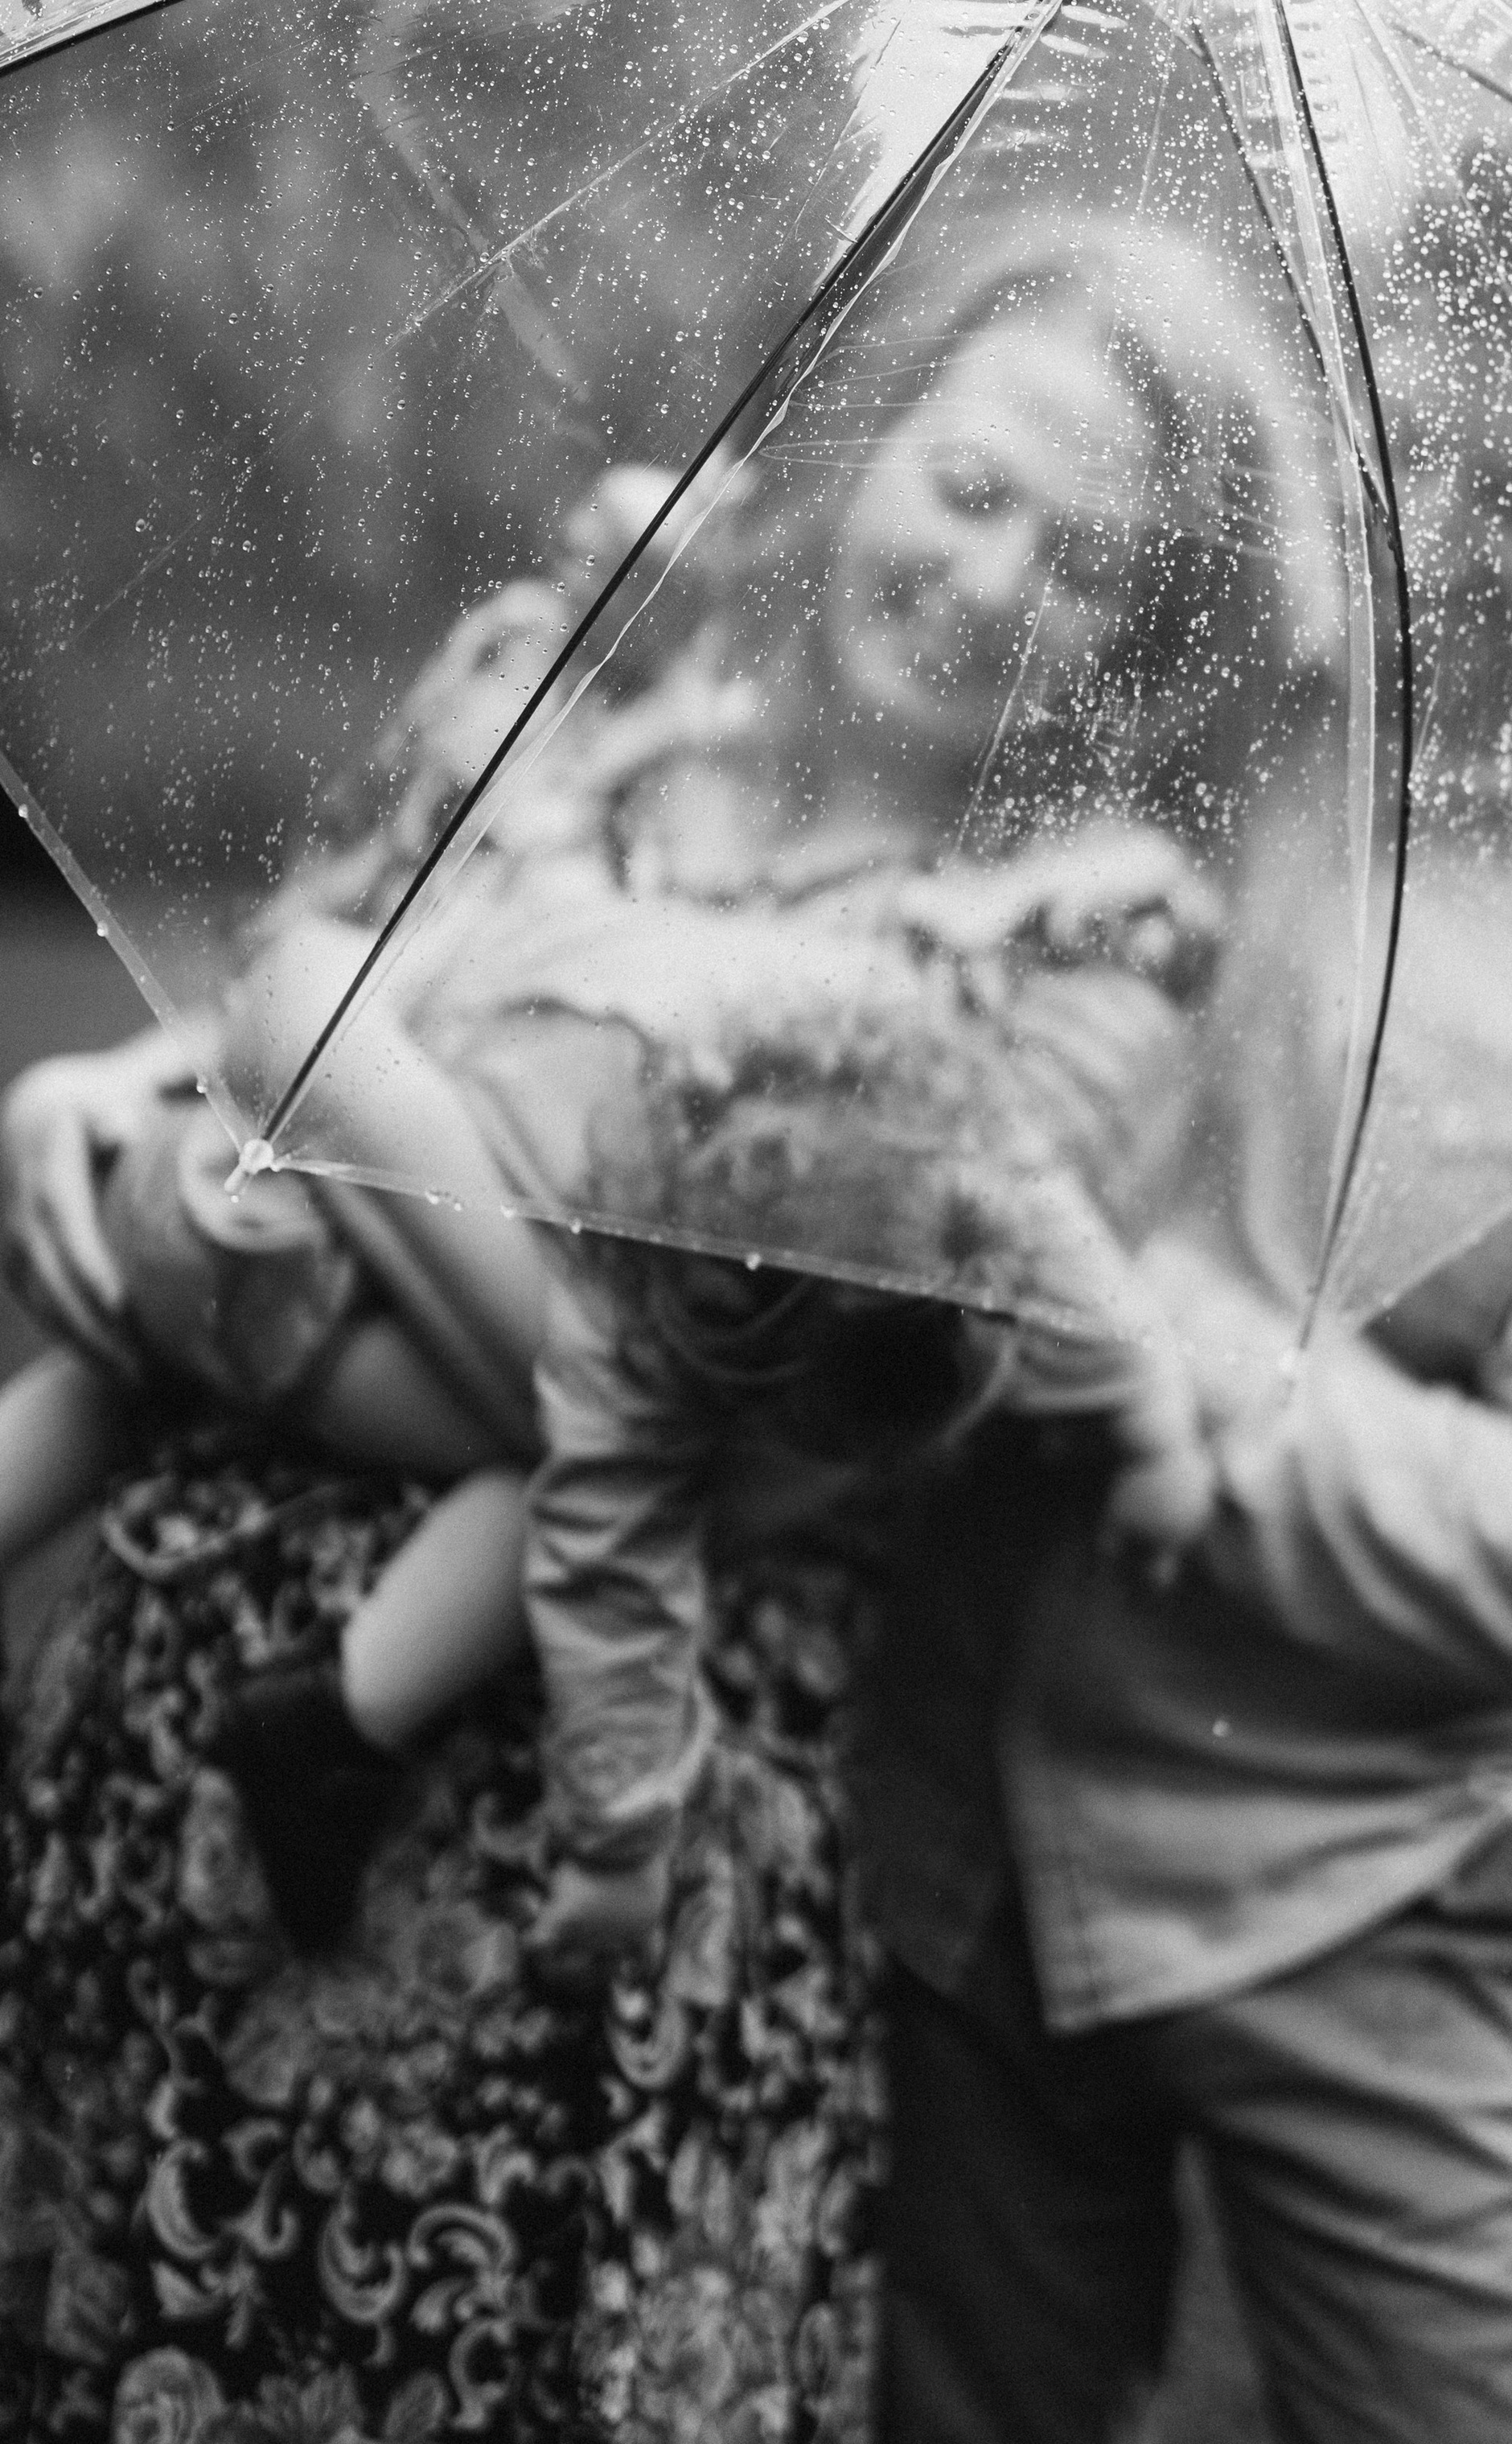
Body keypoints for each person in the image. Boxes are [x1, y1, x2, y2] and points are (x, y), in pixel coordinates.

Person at [864, 146, 1512, 2444]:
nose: (1419, 520)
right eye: (1393, 430)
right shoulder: (1224, 666)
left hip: (1357, 1890)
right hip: (944, 1804)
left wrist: (1167, 1358)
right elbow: (844, 818)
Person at [0, 216, 1329, 1992]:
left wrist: (344, 1166)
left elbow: (805, 1442)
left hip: (553, 1844)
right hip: (157, 1716)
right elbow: (343, 941)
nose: (998, 582)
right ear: (867, 449)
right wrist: (99, 1094)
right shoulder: (611, 707)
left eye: (1088, 562)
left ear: (1149, 635)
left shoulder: (1085, 941)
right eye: (967, 485)